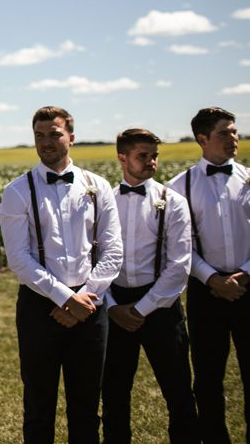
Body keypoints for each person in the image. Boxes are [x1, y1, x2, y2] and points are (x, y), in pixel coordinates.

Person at [0, 105, 123, 443]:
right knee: (39, 408)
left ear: (71, 137)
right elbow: (19, 259)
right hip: (39, 308)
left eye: (54, 134)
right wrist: (67, 299)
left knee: (86, 408)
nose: (46, 142)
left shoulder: (98, 186)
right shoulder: (17, 191)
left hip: (91, 307)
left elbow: (113, 252)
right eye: (39, 136)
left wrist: (84, 298)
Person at [101, 128, 198, 443]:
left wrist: (140, 310)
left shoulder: (173, 201)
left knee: (179, 390)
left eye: (154, 155)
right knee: (114, 393)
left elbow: (179, 265)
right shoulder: (104, 201)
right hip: (114, 303)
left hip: (160, 305)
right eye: (143, 156)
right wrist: (114, 307)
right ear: (122, 158)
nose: (151, 162)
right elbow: (93, 256)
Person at [168, 107, 249, 443]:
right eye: (225, 133)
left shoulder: (249, 178)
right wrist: (212, 279)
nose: (235, 138)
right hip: (205, 292)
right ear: (203, 139)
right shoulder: (178, 187)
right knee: (207, 377)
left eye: (235, 131)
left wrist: (244, 274)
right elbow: (179, 246)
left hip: (249, 288)